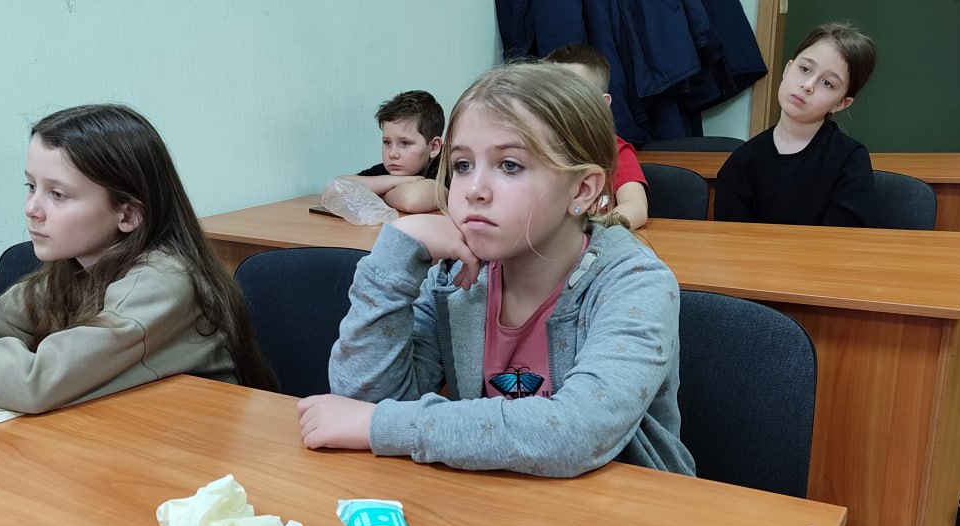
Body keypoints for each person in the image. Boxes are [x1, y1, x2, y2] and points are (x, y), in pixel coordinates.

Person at [297, 63, 695, 479]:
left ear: (582, 189)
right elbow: (367, 399)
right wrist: (397, 251)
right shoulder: (455, 276)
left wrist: (386, 426)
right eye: (463, 165)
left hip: (628, 505)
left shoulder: (636, 283)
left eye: (509, 165)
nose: (473, 190)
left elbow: (576, 433)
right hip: (497, 495)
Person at [0, 103, 275, 415]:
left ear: (128, 214)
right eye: (31, 186)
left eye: (58, 194)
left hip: (189, 455)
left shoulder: (164, 282)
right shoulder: (75, 267)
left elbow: (36, 381)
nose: (31, 209)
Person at [714, 22, 877, 226]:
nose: (807, 85)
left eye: (828, 83)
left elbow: (840, 240)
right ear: (787, 68)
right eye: (805, 69)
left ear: (841, 103)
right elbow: (730, 239)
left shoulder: (850, 160)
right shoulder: (742, 162)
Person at [543, 43, 650, 229]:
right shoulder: (534, 150)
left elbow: (636, 208)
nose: (560, 104)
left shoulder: (615, 152)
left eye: (575, 95)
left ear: (602, 104)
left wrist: (586, 230)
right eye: (551, 94)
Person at [339, 90, 446, 214]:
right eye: (387, 142)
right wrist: (399, 182)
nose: (392, 154)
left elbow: (411, 200)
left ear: (434, 147)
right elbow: (336, 187)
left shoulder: (448, 167)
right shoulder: (395, 169)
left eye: (405, 143)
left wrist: (375, 191)